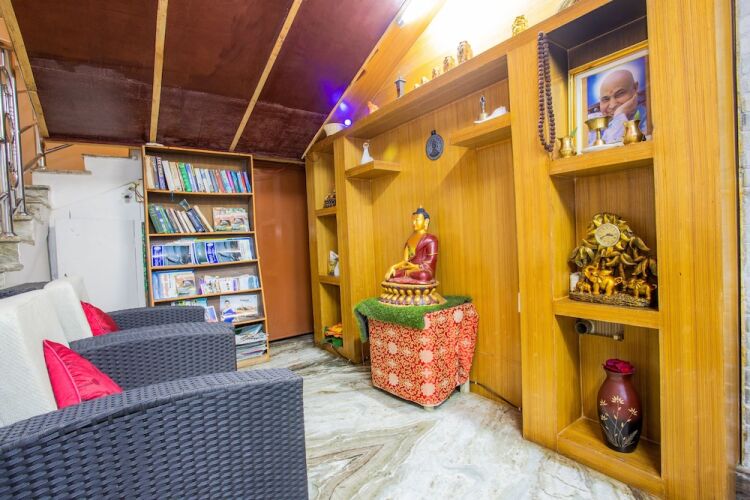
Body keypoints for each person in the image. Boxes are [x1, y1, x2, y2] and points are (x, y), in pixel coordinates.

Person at [588, 68, 648, 145]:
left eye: (620, 94)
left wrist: (620, 114)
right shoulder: (593, 121)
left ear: (635, 88)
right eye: (605, 99)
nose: (612, 105)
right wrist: (620, 115)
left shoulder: (647, 117)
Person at [384, 207, 438, 284]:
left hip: (421, 271)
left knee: (424, 275)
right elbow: (405, 261)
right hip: (409, 269)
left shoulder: (431, 239)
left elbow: (431, 261)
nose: (414, 223)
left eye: (417, 220)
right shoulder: (410, 239)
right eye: (413, 220)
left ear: (426, 221)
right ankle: (406, 274)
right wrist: (393, 267)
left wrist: (416, 266)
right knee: (392, 274)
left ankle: (407, 274)